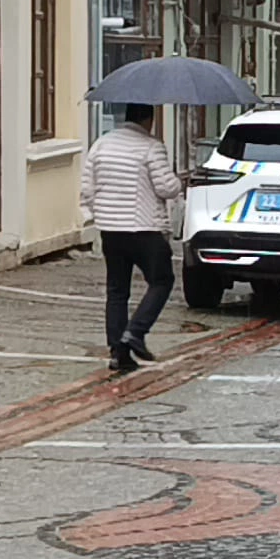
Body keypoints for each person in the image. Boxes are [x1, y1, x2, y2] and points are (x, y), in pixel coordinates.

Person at [80, 103, 183, 373]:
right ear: (147, 118)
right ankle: (135, 332)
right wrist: (179, 181)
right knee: (161, 280)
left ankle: (118, 351)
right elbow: (166, 188)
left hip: (111, 230)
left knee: (117, 291)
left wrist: (99, 214)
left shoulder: (101, 145)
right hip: (144, 228)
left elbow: (87, 188)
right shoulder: (151, 146)